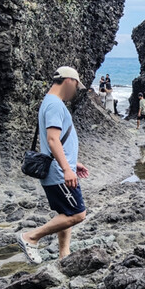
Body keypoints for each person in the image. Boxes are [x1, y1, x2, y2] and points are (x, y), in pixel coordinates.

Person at [17, 66, 90, 264]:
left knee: (65, 212)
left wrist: (73, 163)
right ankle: (30, 237)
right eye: (76, 85)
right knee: (77, 214)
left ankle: (63, 255)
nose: (76, 91)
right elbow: (52, 140)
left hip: (59, 169)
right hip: (58, 173)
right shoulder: (55, 105)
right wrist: (67, 169)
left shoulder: (49, 103)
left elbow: (56, 141)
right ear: (69, 81)